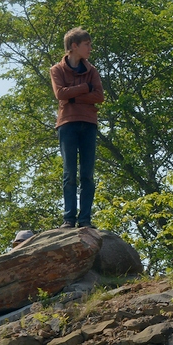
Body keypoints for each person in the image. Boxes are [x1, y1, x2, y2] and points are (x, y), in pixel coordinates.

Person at [50, 27, 104, 229]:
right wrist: (85, 89)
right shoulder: (57, 70)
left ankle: (85, 219)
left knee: (87, 174)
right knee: (69, 173)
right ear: (74, 46)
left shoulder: (92, 71)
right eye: (87, 44)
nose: (90, 48)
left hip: (89, 123)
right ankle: (69, 218)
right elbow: (60, 94)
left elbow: (99, 96)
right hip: (67, 124)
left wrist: (73, 95)